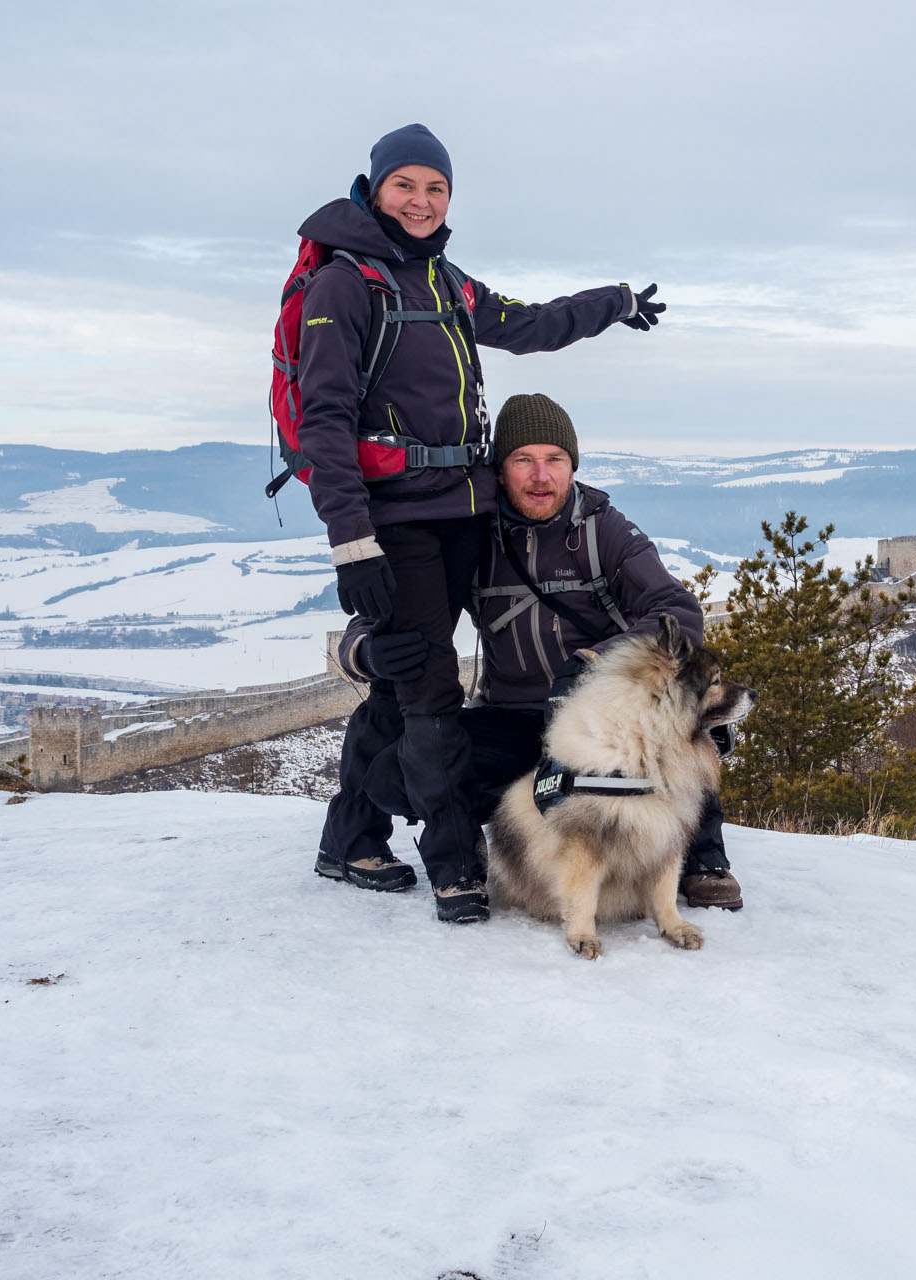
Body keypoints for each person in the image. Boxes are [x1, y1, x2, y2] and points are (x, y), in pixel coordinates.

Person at [303, 124, 666, 923]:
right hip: (398, 520)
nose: (422, 201)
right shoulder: (344, 284)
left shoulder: (446, 281)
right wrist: (352, 542)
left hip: (464, 508)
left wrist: (617, 303)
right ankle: (453, 862)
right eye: (406, 186)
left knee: (407, 676)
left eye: (437, 189)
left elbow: (529, 326)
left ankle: (348, 834)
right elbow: (321, 420)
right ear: (374, 189)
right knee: (428, 690)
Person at [331, 393, 746, 916]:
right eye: (523, 460)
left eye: (555, 460)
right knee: (395, 776)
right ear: (499, 470)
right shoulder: (471, 537)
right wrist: (368, 652)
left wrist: (596, 664)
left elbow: (677, 609)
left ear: (573, 466)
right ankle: (492, 838)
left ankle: (702, 858)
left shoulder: (603, 529)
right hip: (515, 719)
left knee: (680, 738)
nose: (540, 476)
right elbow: (377, 622)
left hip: (604, 727)